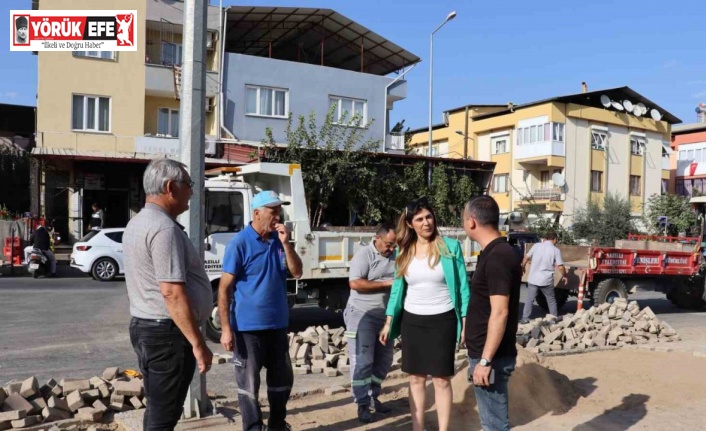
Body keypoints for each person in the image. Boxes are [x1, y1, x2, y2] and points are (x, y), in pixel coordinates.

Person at [123, 158, 213, 431]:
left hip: (149, 329)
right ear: (171, 187)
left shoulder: (138, 223)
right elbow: (172, 292)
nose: (192, 192)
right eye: (189, 185)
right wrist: (198, 343)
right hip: (166, 336)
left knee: (159, 408)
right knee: (164, 416)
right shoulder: (163, 229)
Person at [379, 198, 470, 431]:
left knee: (441, 379)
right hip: (413, 321)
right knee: (416, 378)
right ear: (410, 224)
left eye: (429, 217)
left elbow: (462, 286)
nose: (426, 222)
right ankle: (418, 428)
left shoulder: (450, 246)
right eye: (419, 219)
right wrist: (389, 320)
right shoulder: (404, 250)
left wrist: (465, 321)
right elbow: (398, 288)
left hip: (443, 320)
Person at [218, 190, 303, 431]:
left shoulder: (279, 241)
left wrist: (287, 245)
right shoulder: (240, 243)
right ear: (256, 213)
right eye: (273, 211)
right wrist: (225, 329)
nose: (278, 216)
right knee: (249, 386)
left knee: (281, 382)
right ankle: (253, 428)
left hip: (277, 325)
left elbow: (297, 272)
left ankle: (277, 424)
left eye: (279, 210)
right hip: (247, 329)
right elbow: (224, 289)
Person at [463, 195, 522, 431]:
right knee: (491, 423)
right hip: (486, 354)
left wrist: (485, 361)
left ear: (472, 222)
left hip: (491, 358)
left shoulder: (498, 256)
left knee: (494, 426)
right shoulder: (494, 252)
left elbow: (500, 313)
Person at [344, 223, 397, 423]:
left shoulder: (396, 256)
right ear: (377, 238)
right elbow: (355, 283)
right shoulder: (364, 255)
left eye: (394, 245)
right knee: (363, 361)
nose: (391, 249)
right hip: (362, 315)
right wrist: (387, 283)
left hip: (386, 319)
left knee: (384, 361)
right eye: (389, 244)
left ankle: (374, 397)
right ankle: (362, 404)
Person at [520, 231, 567, 323]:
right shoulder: (555, 250)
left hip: (533, 278)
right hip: (546, 280)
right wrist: (564, 275)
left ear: (545, 238)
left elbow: (526, 257)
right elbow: (560, 266)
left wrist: (522, 267)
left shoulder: (536, 246)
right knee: (551, 300)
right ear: (554, 239)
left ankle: (525, 318)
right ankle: (553, 319)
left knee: (530, 299)